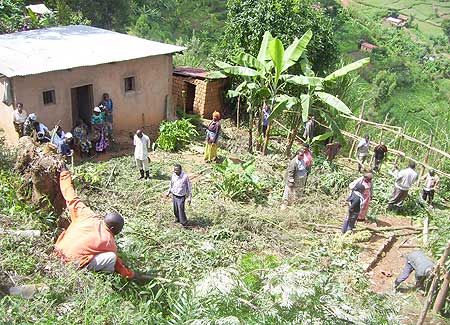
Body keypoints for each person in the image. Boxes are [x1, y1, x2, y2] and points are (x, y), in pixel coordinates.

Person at [55, 167, 148, 282]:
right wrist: (131, 275)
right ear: (113, 228)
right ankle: (103, 279)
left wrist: (64, 173)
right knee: (111, 258)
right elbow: (118, 264)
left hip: (59, 251)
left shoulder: (87, 215)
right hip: (70, 264)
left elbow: (71, 197)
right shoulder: (109, 241)